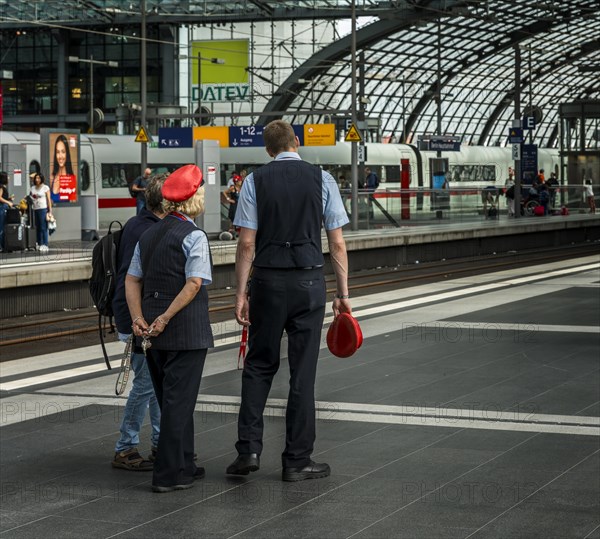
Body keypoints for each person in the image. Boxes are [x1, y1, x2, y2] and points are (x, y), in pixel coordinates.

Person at [226, 120, 351, 482]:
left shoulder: (254, 181)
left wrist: (240, 294)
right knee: (303, 372)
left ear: (269, 150)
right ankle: (297, 460)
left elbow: (246, 244)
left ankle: (248, 449)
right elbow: (338, 243)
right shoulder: (322, 178)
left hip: (266, 282)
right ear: (296, 143)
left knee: (259, 365)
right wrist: (343, 295)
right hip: (309, 282)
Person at [125, 164, 213, 493]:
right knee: (179, 403)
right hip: (186, 333)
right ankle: (166, 475)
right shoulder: (194, 236)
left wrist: (139, 317)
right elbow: (193, 284)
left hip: (151, 336)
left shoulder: (148, 234)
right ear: (193, 201)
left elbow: (132, 279)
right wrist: (165, 317)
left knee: (172, 401)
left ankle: (185, 463)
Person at [111, 174, 167, 471]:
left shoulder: (138, 223)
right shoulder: (149, 230)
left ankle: (161, 442)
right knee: (146, 384)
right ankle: (125, 448)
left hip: (134, 314)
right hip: (137, 317)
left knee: (155, 382)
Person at [29, 173, 53, 252]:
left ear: (41, 179)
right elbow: (30, 197)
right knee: (38, 227)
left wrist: (50, 211)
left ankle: (45, 244)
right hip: (35, 209)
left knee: (43, 227)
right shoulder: (32, 188)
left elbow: (49, 200)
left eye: (39, 178)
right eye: (36, 178)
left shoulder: (45, 187)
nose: (37, 179)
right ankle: (39, 243)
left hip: (43, 209)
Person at [50, 134, 75, 203]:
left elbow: (72, 206)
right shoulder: (52, 177)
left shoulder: (69, 178)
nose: (60, 156)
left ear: (67, 154)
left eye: (63, 152)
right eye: (58, 152)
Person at [0, 171, 15, 252]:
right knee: (2, 227)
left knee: (3, 227)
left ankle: (4, 245)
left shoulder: (3, 186)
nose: (8, 178)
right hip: (2, 208)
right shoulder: (1, 187)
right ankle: (2, 246)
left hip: (3, 207)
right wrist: (8, 202)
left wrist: (9, 199)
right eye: (7, 176)